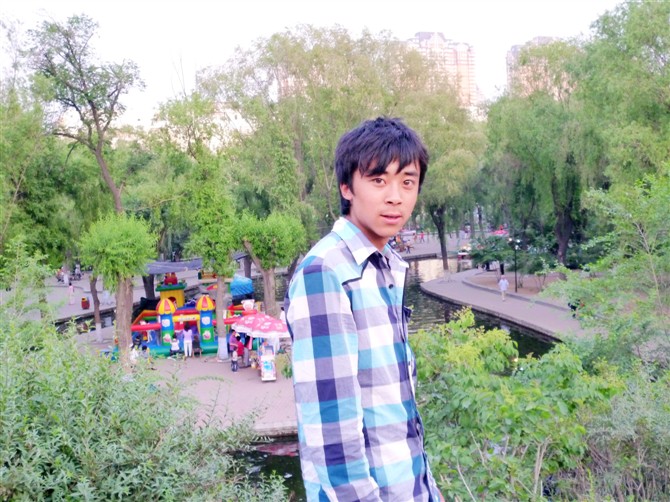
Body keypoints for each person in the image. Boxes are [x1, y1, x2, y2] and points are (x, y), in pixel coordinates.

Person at [285, 117, 442, 501]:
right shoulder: (326, 272)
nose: (395, 196)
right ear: (347, 187)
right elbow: (332, 439)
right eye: (378, 180)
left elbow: (397, 416)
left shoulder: (385, 267)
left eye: (408, 182)